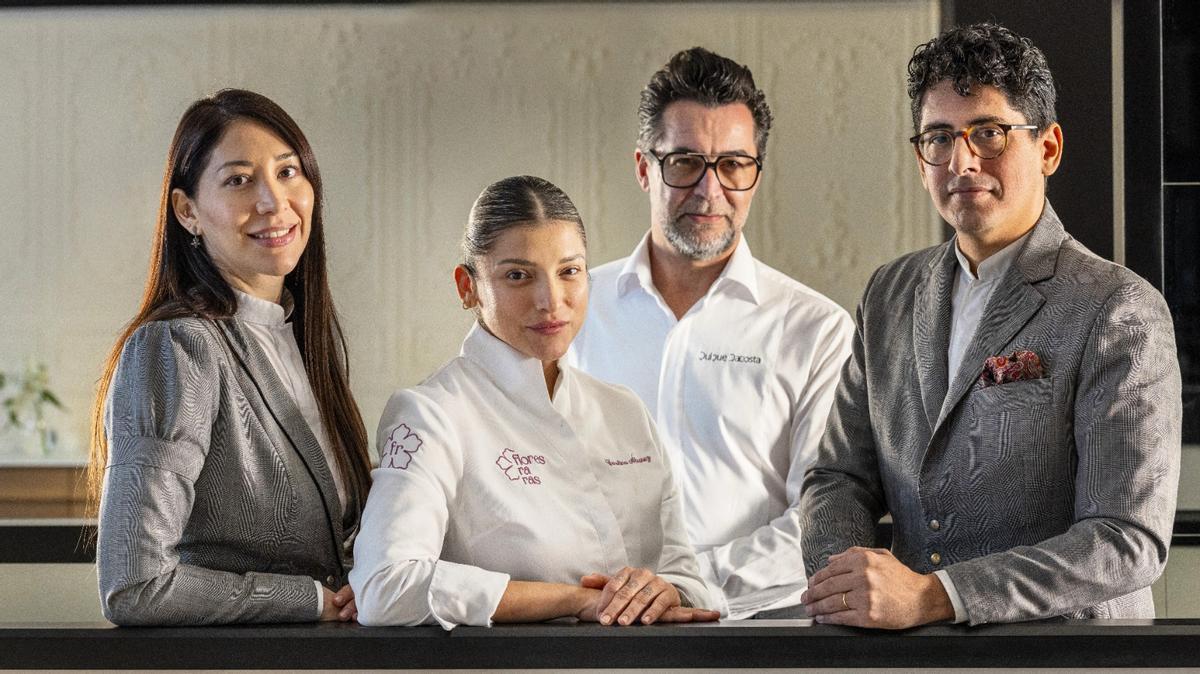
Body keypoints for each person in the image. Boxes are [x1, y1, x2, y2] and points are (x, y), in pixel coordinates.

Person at [800, 23, 1182, 628]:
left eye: (989, 133)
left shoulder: (1118, 308)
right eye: (939, 137)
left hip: (1065, 659)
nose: (962, 161)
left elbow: (1125, 539)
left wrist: (937, 595)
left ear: (1049, 147)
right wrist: (845, 579)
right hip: (912, 658)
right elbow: (837, 476)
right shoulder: (889, 294)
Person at [350, 176, 718, 629]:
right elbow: (385, 587)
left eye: (569, 271)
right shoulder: (433, 414)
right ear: (468, 287)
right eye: (518, 276)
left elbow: (686, 577)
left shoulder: (624, 412)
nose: (551, 301)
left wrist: (664, 591)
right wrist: (572, 600)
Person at [566, 47, 853, 619]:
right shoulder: (572, 310)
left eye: (733, 164)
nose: (709, 188)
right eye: (685, 162)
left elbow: (823, 517)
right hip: (587, 631)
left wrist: (689, 583)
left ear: (756, 174)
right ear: (645, 167)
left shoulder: (816, 330)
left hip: (756, 638)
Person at [88, 89, 373, 625]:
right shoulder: (176, 348)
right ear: (187, 211)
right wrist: (308, 600)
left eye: (288, 172)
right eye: (239, 180)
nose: (273, 201)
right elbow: (135, 583)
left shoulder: (299, 338)